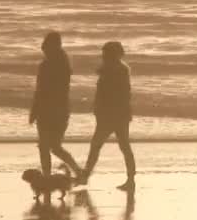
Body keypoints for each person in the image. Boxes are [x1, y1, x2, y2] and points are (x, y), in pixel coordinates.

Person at [81, 40, 136, 191]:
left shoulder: (117, 70)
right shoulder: (115, 69)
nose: (103, 56)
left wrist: (102, 110)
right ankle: (130, 179)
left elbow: (120, 94)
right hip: (115, 114)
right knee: (121, 146)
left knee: (99, 145)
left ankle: (86, 176)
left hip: (113, 115)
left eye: (106, 53)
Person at [29, 31, 84, 181]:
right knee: (53, 146)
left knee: (46, 146)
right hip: (61, 109)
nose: (44, 49)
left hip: (49, 110)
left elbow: (40, 90)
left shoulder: (49, 66)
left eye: (46, 47)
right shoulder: (64, 65)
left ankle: (48, 176)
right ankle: (77, 170)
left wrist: (34, 110)